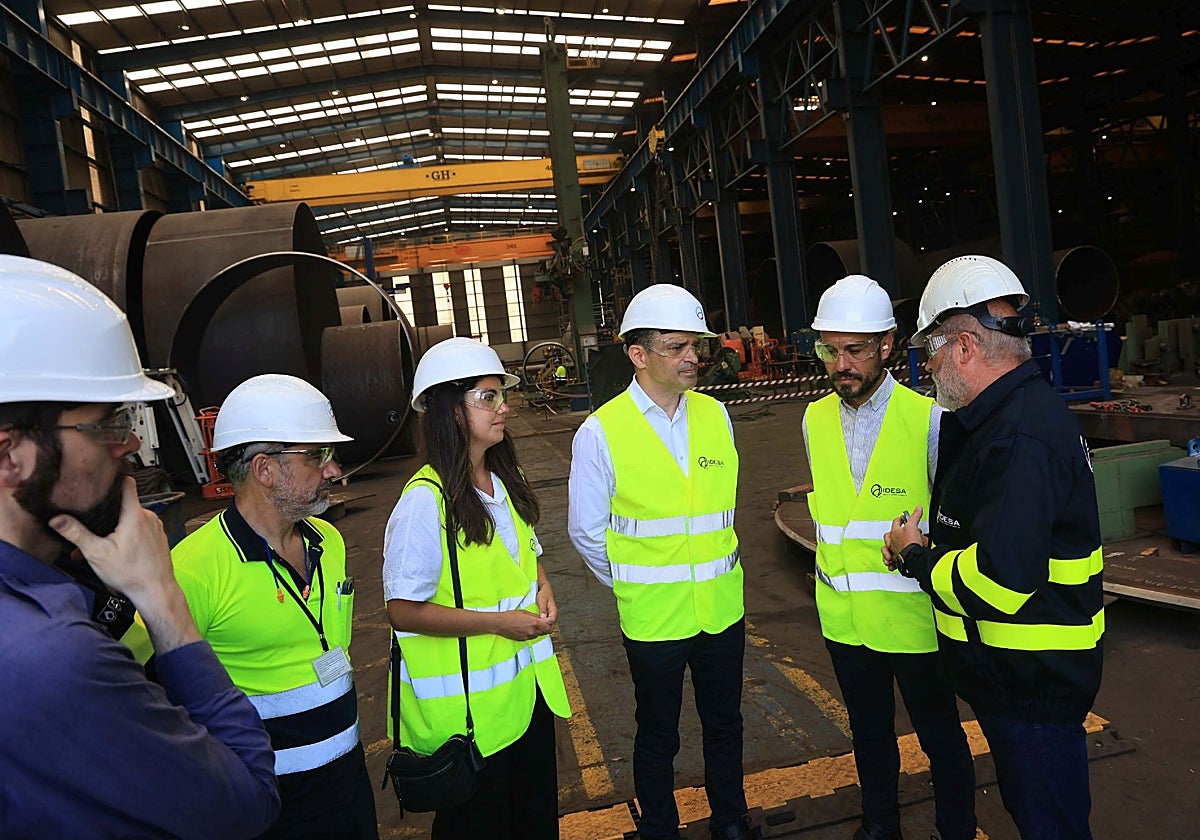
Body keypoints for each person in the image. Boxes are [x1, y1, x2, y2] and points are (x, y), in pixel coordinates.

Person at [0, 255, 280, 839]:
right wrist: (162, 601)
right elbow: (245, 800)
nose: (129, 441)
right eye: (106, 423)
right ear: (9, 456)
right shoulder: (50, 657)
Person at [883, 255, 1105, 839]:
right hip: (1022, 682)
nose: (927, 370)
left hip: (1032, 688)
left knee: (1049, 826)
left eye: (929, 354)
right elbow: (1002, 537)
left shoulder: (1018, 436)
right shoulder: (1004, 420)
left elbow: (1001, 582)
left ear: (962, 348)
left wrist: (915, 557)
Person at [568, 284, 760, 840]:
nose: (692, 358)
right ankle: (659, 828)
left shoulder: (716, 416)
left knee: (725, 723)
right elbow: (585, 532)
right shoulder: (601, 432)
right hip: (654, 619)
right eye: (677, 348)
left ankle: (730, 820)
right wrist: (634, 581)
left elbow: (719, 514)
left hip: (722, 611)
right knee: (658, 733)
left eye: (694, 347)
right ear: (639, 354)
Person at [802, 275, 976, 840]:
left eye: (855, 350)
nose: (841, 364)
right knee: (869, 734)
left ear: (887, 345)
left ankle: (956, 827)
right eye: (831, 350)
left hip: (914, 620)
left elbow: (955, 524)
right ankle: (881, 826)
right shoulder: (812, 420)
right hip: (845, 619)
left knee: (940, 736)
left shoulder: (928, 420)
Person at [170, 374, 376, 840]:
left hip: (348, 780)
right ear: (264, 469)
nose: (332, 469)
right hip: (269, 805)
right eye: (316, 456)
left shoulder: (330, 541)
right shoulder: (193, 569)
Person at [384, 337, 571, 839]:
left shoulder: (503, 476)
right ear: (450, 410)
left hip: (526, 704)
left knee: (534, 821)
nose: (503, 406)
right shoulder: (425, 503)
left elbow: (525, 552)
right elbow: (402, 610)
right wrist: (498, 624)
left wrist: (543, 584)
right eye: (487, 397)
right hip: (470, 723)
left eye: (500, 394)